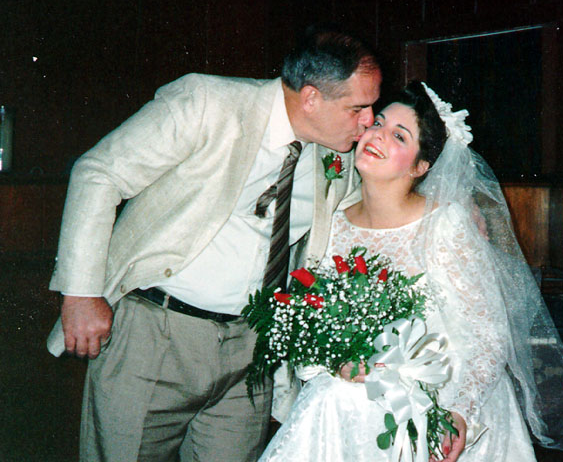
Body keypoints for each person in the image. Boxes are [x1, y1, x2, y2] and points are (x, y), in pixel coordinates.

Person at [45, 28, 382, 462]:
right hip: (157, 334)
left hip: (251, 351)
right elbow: (99, 173)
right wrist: (81, 292)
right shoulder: (207, 102)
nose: (369, 121)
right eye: (358, 108)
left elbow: (366, 217)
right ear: (312, 98)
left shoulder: (335, 152)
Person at [259, 81, 563, 461]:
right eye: (378, 124)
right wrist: (336, 359)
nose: (377, 136)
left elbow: (488, 334)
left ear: (422, 166)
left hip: (438, 394)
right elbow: (314, 315)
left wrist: (459, 412)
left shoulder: (445, 224)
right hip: (349, 396)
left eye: (399, 136)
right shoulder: (335, 222)